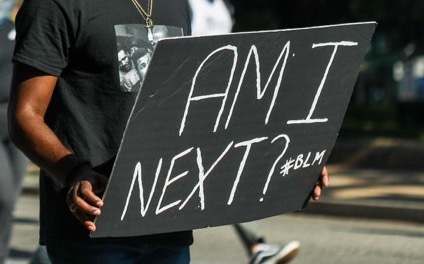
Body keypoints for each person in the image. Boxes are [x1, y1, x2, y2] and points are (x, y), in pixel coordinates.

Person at [8, 1, 329, 264]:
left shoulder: (176, 5)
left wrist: (291, 158)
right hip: (92, 230)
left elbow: (197, 112)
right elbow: (25, 116)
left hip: (167, 227)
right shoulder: (54, 4)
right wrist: (73, 171)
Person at [187, 1, 326, 264]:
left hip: (225, 100)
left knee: (221, 173)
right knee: (216, 174)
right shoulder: (186, 4)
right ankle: (255, 246)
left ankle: (255, 246)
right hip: (197, 101)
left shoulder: (224, 9)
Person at [0, 1, 29, 263]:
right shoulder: (4, 29)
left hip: (20, 127)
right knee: (3, 196)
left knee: (11, 201)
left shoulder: (36, 33)